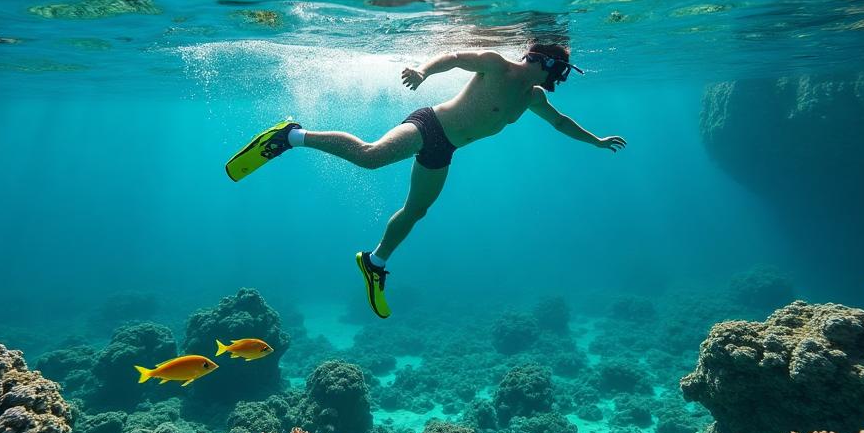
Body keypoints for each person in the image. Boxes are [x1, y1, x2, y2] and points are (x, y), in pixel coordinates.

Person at [226, 42, 626, 318]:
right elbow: (453, 57)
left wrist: (595, 141)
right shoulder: (495, 63)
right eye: (559, 71)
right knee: (371, 156)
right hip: (429, 123)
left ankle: (375, 261)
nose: (558, 81)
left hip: (445, 149)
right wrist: (423, 70)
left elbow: (560, 122)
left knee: (417, 210)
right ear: (544, 60)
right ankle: (291, 136)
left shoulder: (533, 97)